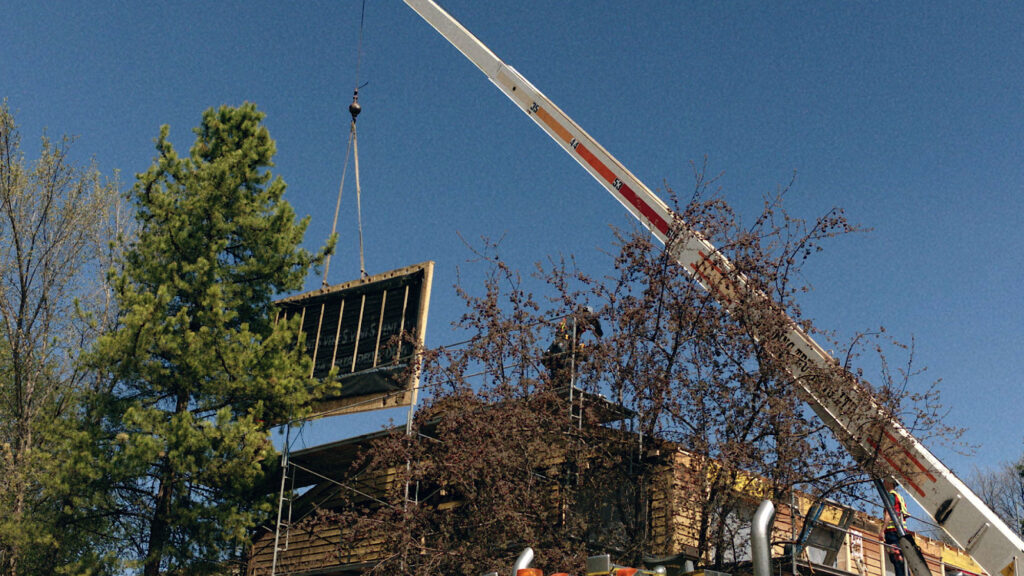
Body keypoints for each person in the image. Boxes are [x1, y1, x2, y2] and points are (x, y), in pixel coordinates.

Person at [883, 478, 913, 576]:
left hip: (892, 532)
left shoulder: (890, 496)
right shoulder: (899, 497)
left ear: (890, 482)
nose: (883, 482)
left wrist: (882, 530)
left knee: (895, 557)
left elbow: (889, 514)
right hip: (901, 532)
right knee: (901, 559)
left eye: (885, 480)